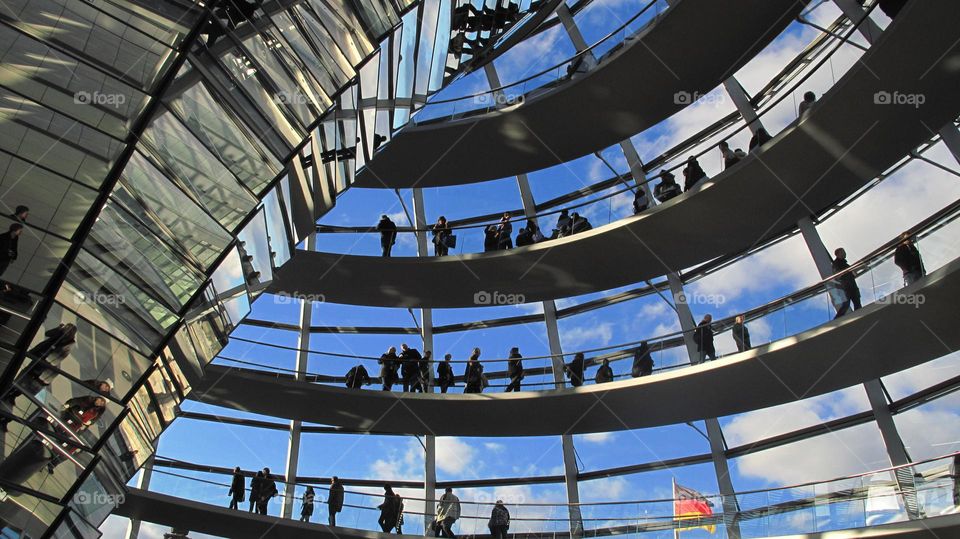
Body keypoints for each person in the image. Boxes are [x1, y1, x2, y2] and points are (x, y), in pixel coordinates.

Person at [833, 248, 862, 318]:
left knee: (853, 302)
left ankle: (858, 315)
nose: (845, 253)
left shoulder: (842, 263)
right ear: (838, 254)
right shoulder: (837, 263)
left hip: (849, 285)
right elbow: (838, 274)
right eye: (843, 252)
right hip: (847, 286)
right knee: (850, 303)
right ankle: (858, 316)